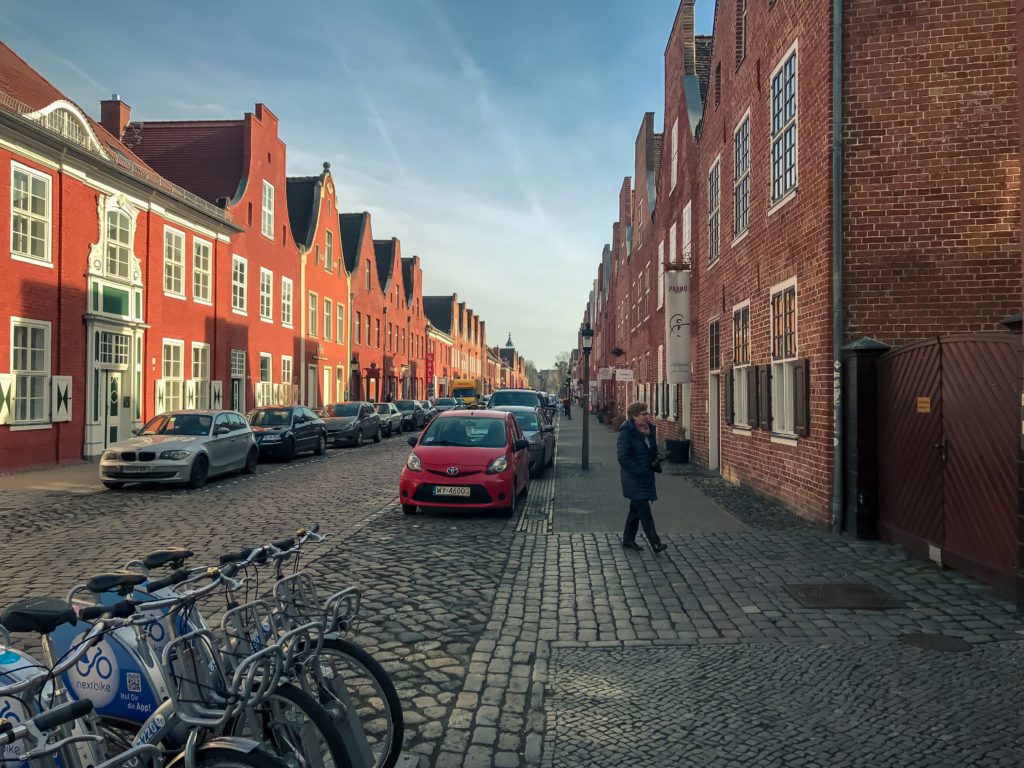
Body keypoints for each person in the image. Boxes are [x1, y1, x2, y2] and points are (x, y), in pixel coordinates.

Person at [617, 401, 666, 553]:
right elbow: (623, 457)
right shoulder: (627, 432)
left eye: (647, 413)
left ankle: (628, 540)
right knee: (644, 512)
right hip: (633, 478)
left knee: (636, 511)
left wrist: (657, 460)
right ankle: (655, 543)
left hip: (646, 476)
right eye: (643, 414)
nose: (647, 416)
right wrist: (638, 470)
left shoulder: (649, 430)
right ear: (634, 416)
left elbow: (652, 451)